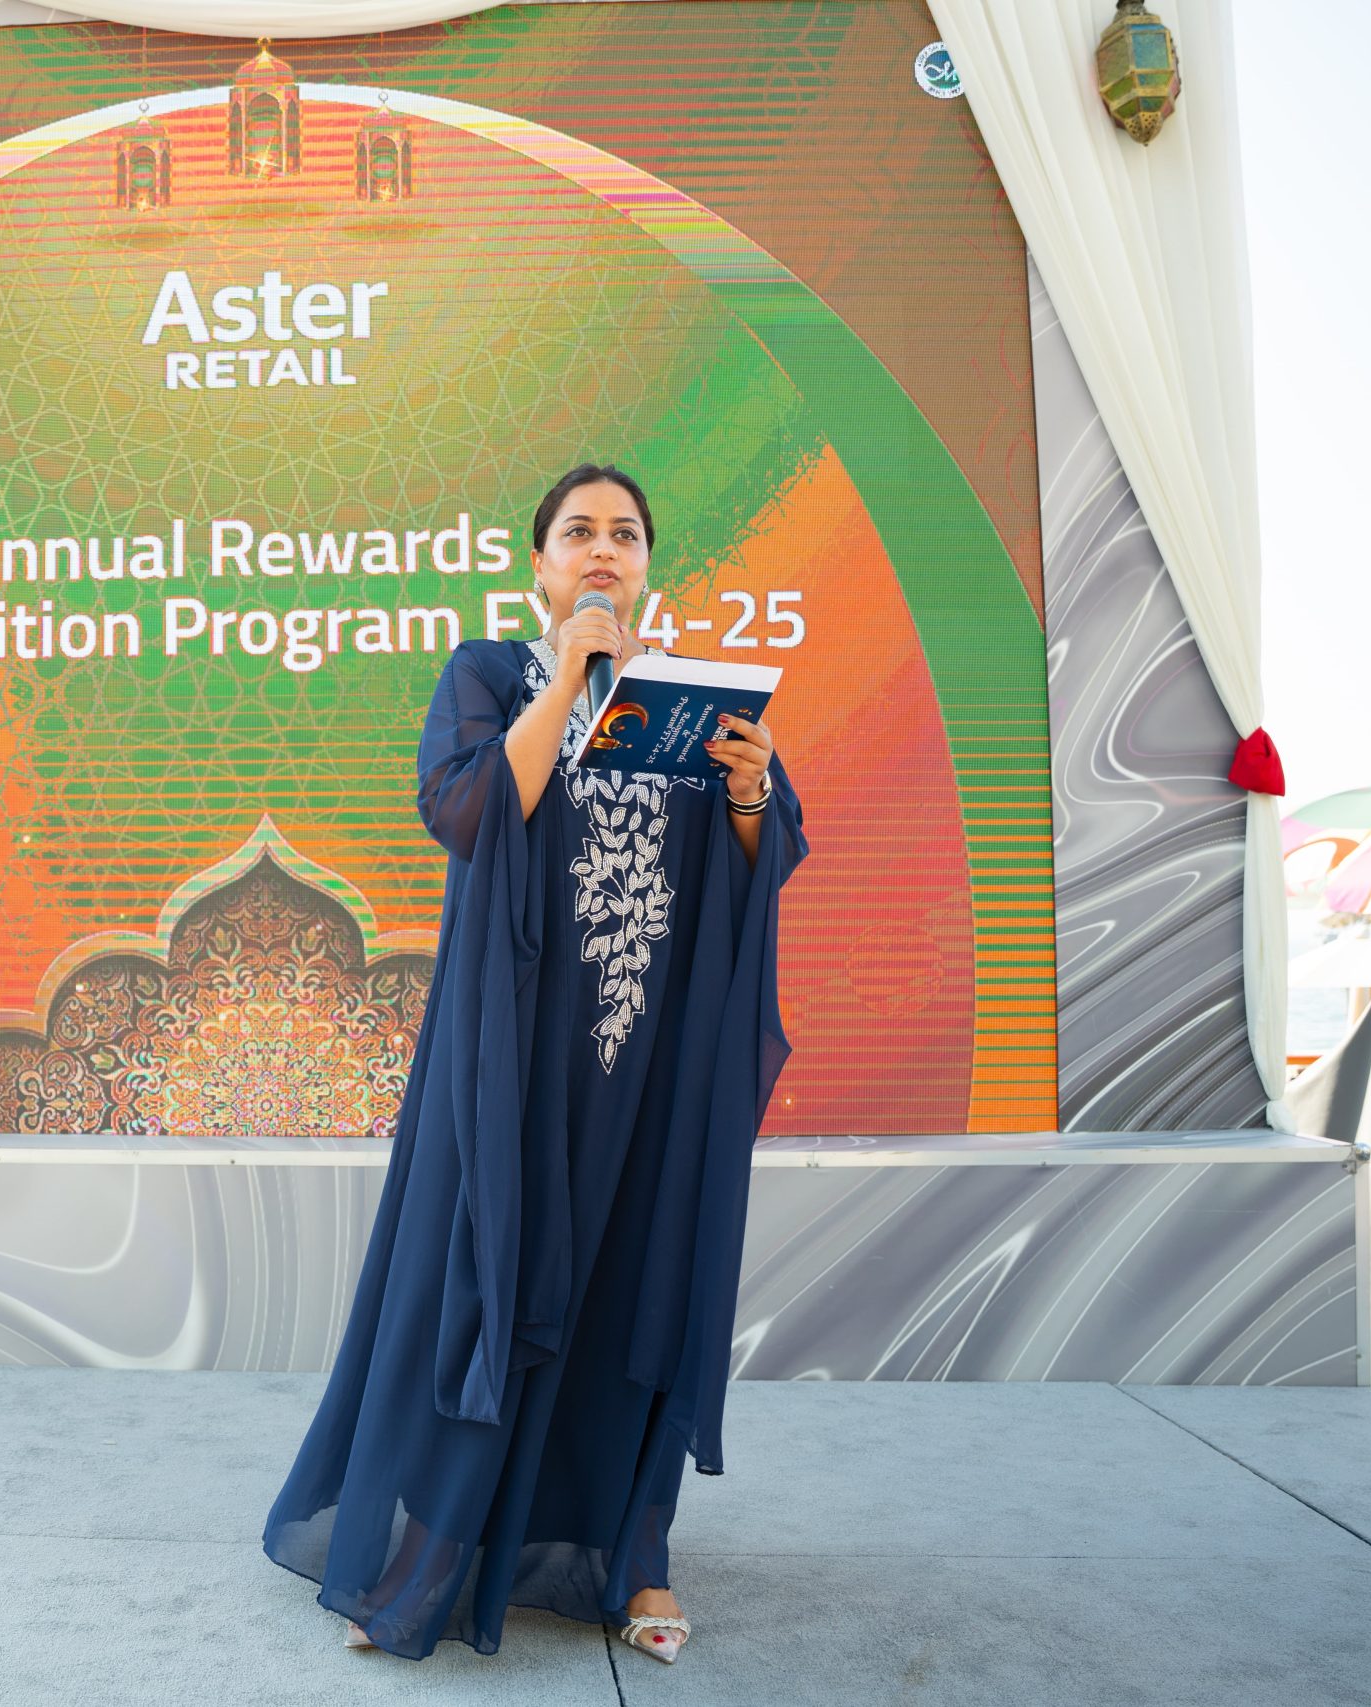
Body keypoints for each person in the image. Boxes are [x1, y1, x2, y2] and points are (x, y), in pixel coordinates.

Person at [260, 463, 808, 1663]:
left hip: (645, 1062)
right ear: (540, 565)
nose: (603, 549)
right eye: (578, 532)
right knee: (486, 1283)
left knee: (640, 1286)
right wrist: (566, 678)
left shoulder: (691, 698)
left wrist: (751, 792)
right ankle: (425, 1564)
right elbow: (463, 812)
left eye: (625, 533)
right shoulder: (489, 674)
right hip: (511, 1053)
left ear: (648, 563)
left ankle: (637, 1562)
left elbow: (760, 860)